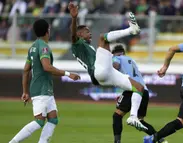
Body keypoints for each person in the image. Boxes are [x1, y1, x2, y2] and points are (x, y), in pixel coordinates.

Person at [68, 2, 147, 131]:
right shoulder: (77, 45)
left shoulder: (89, 47)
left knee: (139, 87)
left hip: (107, 74)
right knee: (103, 38)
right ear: (80, 35)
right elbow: (72, 35)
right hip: (98, 71)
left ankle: (133, 116)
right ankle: (131, 30)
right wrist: (74, 18)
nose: (90, 33)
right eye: (87, 32)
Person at [9, 19, 80, 143]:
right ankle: (13, 142)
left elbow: (26, 70)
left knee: (53, 119)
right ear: (47, 30)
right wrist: (68, 74)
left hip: (42, 88)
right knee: (39, 121)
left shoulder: (33, 47)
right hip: (42, 89)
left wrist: (25, 92)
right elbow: (47, 67)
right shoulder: (44, 47)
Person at [111, 45, 168, 143]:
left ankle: (117, 142)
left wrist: (110, 71)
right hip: (144, 91)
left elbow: (115, 66)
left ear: (114, 53)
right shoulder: (131, 60)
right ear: (124, 52)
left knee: (117, 116)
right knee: (140, 121)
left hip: (133, 90)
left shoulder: (116, 58)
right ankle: (161, 140)